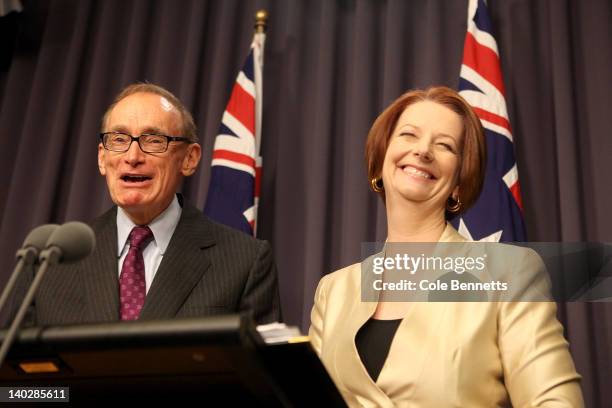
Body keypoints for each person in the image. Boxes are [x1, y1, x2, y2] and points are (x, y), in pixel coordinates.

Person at [309, 86, 583, 407]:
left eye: (444, 145)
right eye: (409, 135)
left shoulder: (508, 271)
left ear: (458, 184)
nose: (423, 151)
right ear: (380, 160)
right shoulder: (333, 291)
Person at [8, 83, 280, 326]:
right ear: (102, 158)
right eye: (119, 140)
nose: (132, 156)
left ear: (189, 159)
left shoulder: (245, 262)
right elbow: (16, 379)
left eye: (153, 140)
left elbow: (258, 379)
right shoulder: (46, 262)